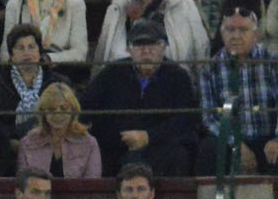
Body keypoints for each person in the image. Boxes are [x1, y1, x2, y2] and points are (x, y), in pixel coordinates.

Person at [82, 17, 202, 176]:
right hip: (117, 145)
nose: (146, 50)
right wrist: (123, 137)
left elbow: (186, 120)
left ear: (164, 47)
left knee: (178, 155)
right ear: (128, 49)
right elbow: (86, 106)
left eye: (153, 44)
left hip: (161, 146)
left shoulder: (178, 76)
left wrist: (148, 137)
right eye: (139, 45)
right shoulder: (111, 73)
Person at [198, 6, 278, 174]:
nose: (235, 35)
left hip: (267, 137)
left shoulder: (273, 59)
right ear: (222, 34)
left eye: (243, 30)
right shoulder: (209, 67)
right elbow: (209, 117)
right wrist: (237, 145)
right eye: (230, 30)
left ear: (255, 34)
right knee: (208, 150)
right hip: (229, 140)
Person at [0, 23, 72, 139]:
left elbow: (71, 120)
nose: (27, 53)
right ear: (12, 55)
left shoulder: (60, 83)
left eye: (31, 47)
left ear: (39, 52)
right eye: (20, 48)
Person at [18, 82, 102, 177]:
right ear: (43, 112)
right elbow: (23, 184)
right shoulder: (27, 143)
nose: (57, 114)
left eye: (64, 108)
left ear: (73, 110)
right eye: (51, 109)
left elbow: (92, 186)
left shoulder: (89, 143)